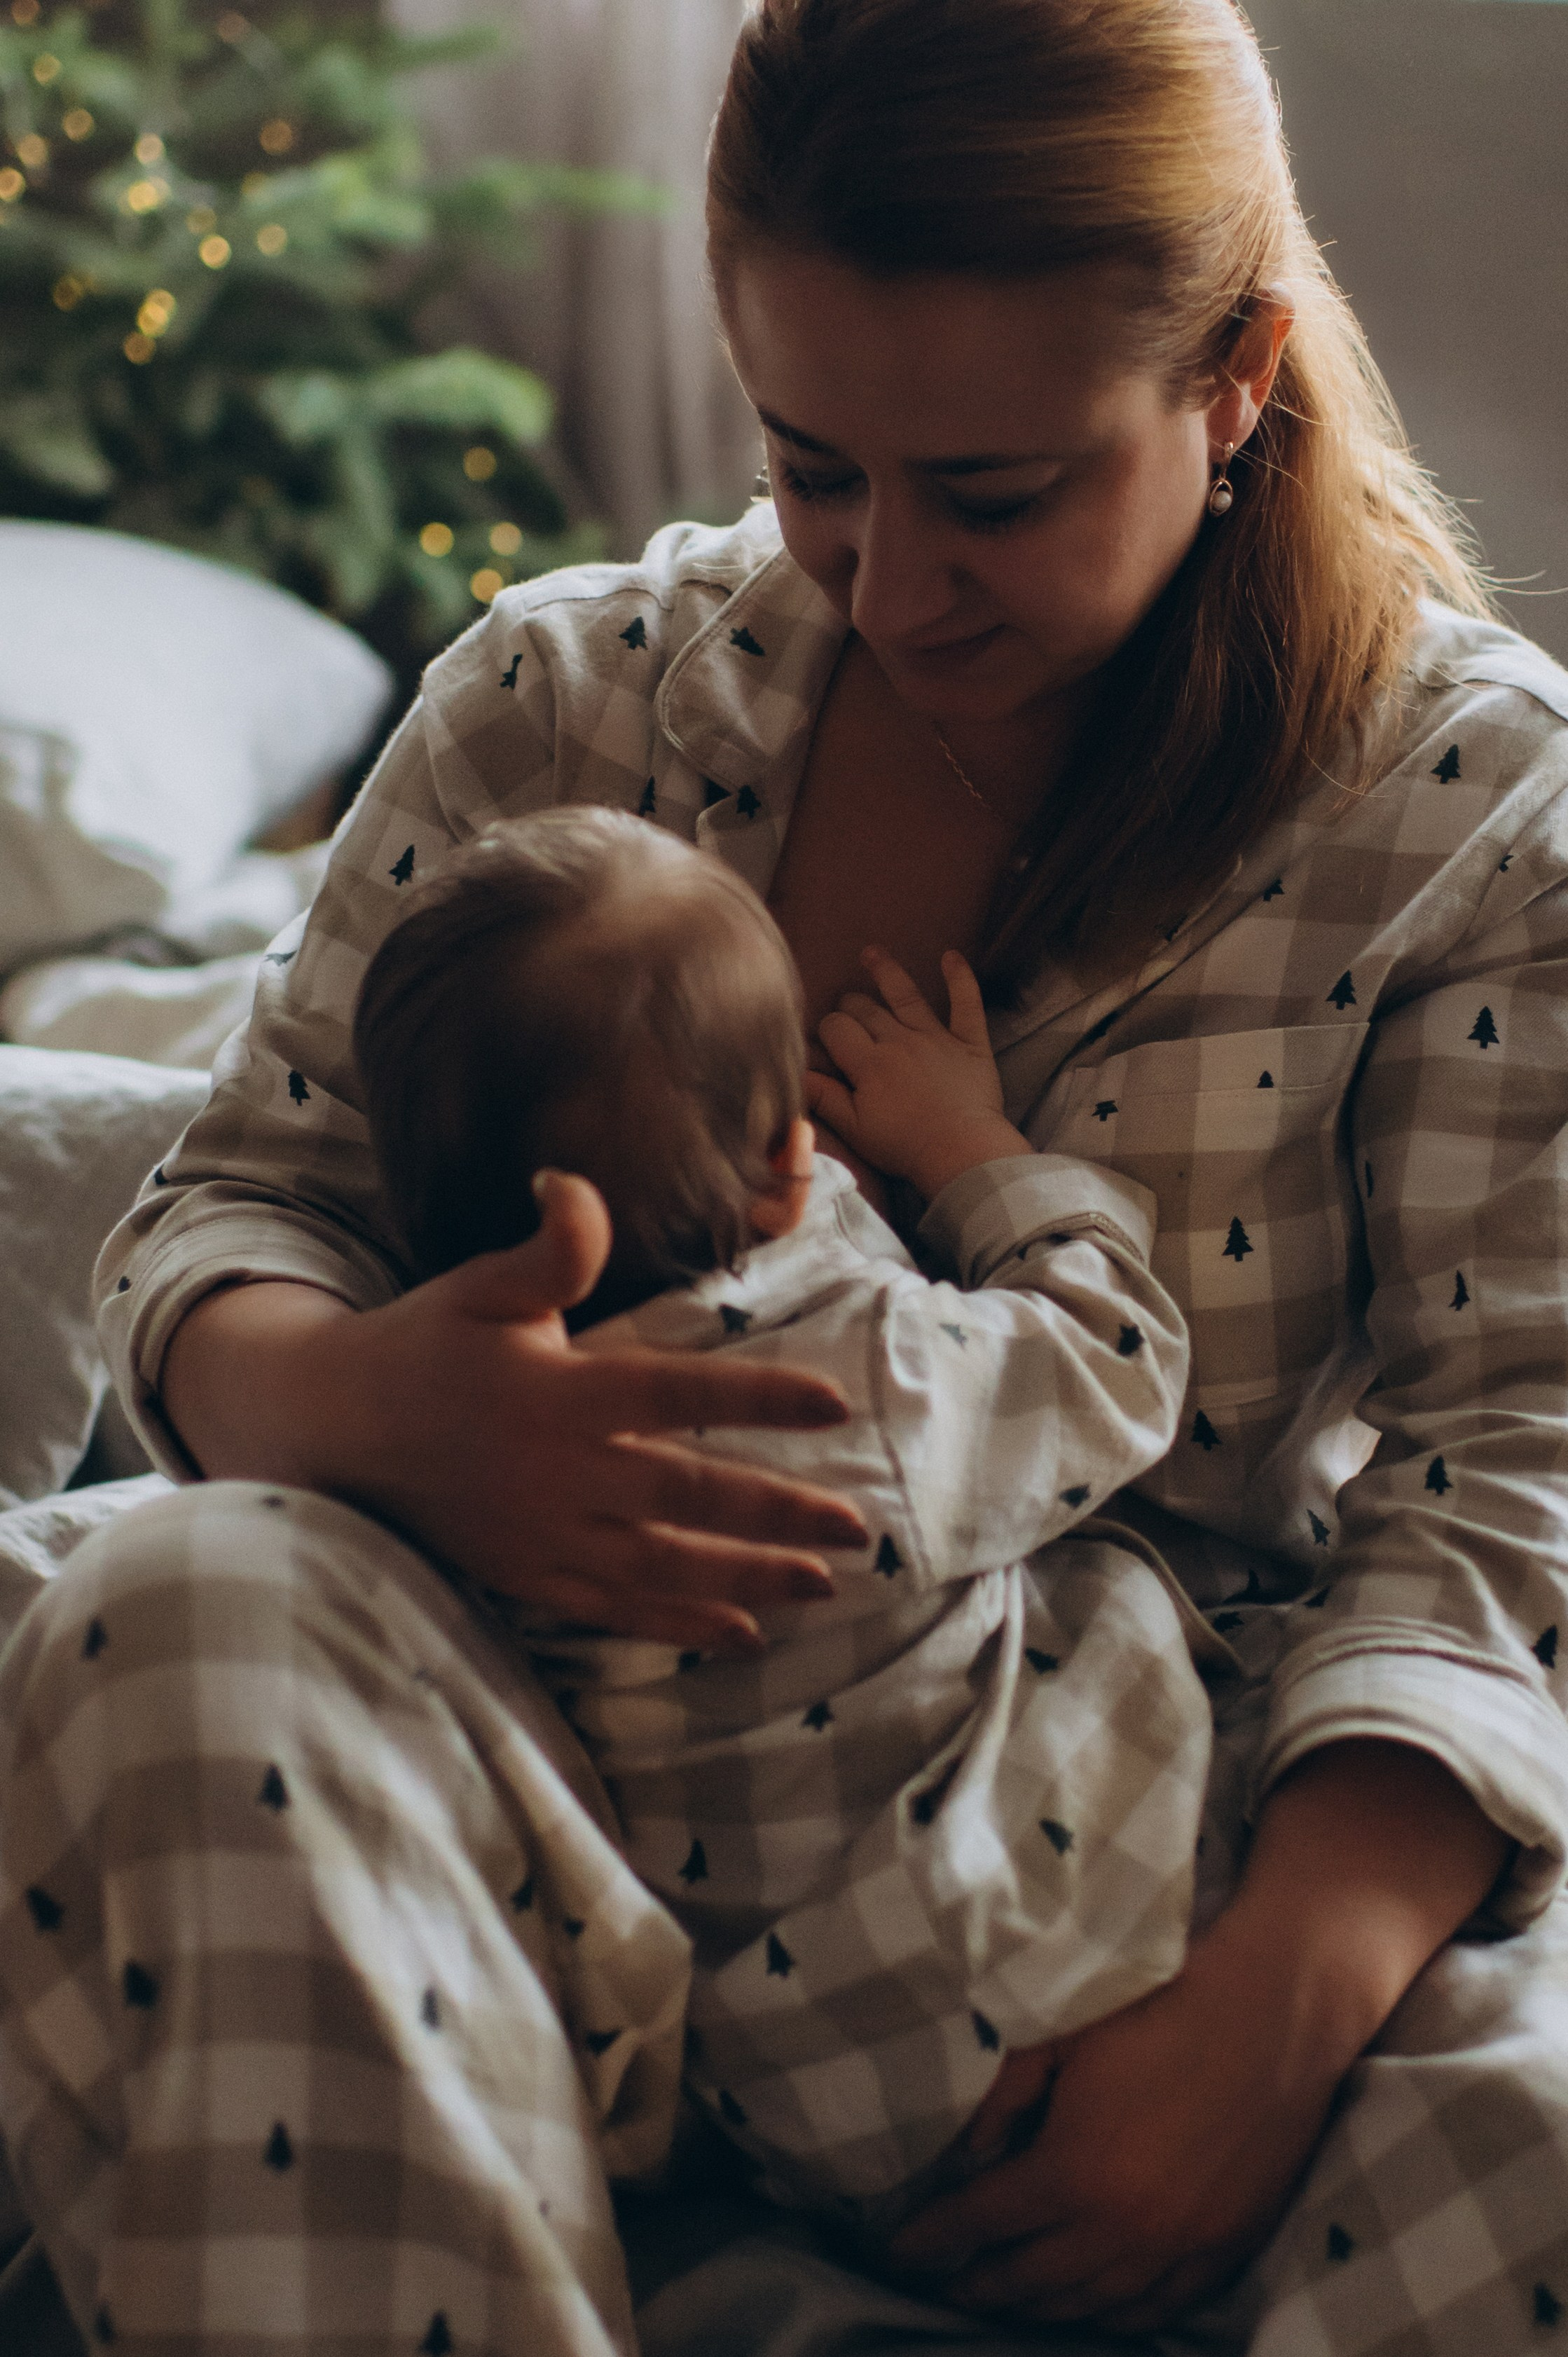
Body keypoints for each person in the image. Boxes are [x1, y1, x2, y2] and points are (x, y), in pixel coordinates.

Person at [2, 0, 1567, 2349]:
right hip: (534, 1749)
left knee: (1521, 2116)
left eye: (991, 493)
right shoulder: (570, 703)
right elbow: (235, 1201)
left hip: (1108, 1856)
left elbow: (1511, 1455)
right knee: (153, 1608)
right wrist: (366, 1412)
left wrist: (1274, 2000)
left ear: (1232, 379)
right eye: (807, 461)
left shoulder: (1466, 820)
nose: (881, 578)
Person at [349, 803, 1216, 2222]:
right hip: (1023, 1983)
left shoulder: (453, 1451)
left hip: (779, 2085)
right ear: (786, 1166)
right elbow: (1116, 1364)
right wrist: (974, 1150)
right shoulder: (860, 1375)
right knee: (1121, 1602)